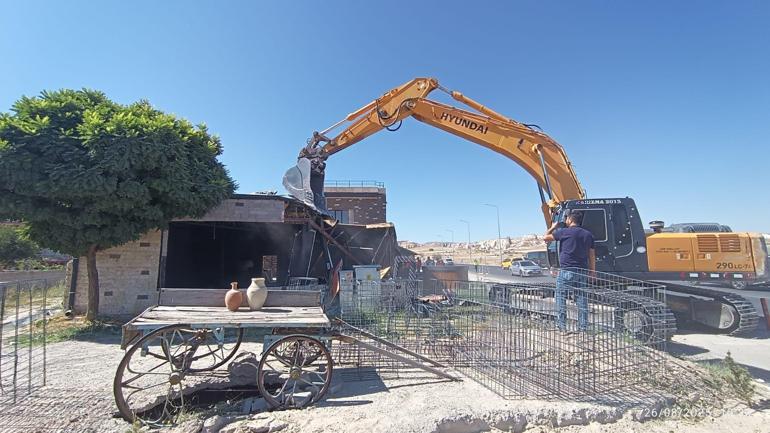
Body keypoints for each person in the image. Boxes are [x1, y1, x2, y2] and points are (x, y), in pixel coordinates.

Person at [543, 210, 596, 331]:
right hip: (582, 270)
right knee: (582, 298)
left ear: (570, 220)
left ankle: (561, 326)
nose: (565, 220)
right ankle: (583, 328)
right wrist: (593, 271)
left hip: (567, 269)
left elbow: (545, 238)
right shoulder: (588, 235)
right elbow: (592, 254)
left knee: (561, 296)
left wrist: (552, 227)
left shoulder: (564, 232)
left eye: (566, 218)